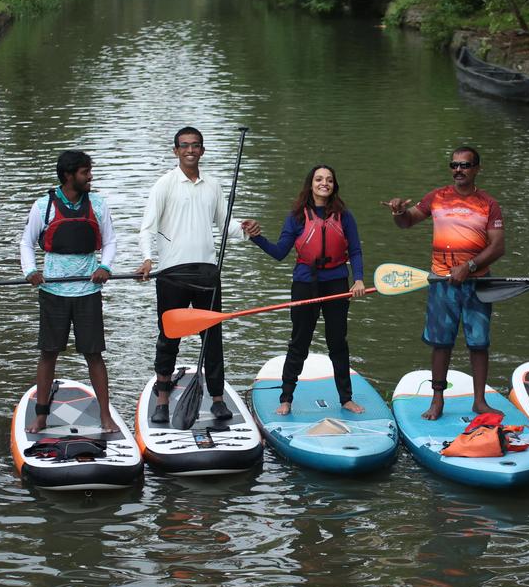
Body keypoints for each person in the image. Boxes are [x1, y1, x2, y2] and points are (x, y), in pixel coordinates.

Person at [384, 146, 504, 421]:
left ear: (476, 169)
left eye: (465, 165)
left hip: (478, 283)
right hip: (442, 283)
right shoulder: (436, 197)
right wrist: (399, 212)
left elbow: (498, 246)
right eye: (454, 165)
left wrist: (470, 266)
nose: (458, 170)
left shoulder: (489, 203)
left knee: (479, 343)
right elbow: (408, 222)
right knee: (441, 343)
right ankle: (437, 401)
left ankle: (480, 402)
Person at [241, 165, 368, 416]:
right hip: (304, 284)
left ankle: (346, 399)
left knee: (338, 343)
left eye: (329, 180)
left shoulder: (344, 216)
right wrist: (255, 237)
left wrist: (360, 279)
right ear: (311, 184)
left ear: (334, 185)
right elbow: (279, 253)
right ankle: (286, 398)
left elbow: (354, 250)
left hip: (336, 284)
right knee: (299, 342)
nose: (324, 183)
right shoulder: (297, 216)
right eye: (319, 179)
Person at [137, 127, 238, 424]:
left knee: (212, 339)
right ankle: (162, 401)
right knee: (169, 338)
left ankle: (217, 399)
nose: (190, 150)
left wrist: (246, 230)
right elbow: (147, 228)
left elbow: (226, 226)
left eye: (196, 145)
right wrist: (147, 259)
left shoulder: (213, 186)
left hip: (207, 273)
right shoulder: (165, 185)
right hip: (172, 275)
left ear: (203, 150)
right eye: (185, 146)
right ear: (176, 151)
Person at [19, 150, 118, 434]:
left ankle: (104, 416)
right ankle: (41, 416)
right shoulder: (43, 206)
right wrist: (31, 271)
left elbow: (110, 242)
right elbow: (26, 243)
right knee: (48, 353)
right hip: (53, 291)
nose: (91, 177)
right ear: (68, 176)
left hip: (88, 290)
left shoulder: (97, 204)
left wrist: (105, 267)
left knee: (94, 354)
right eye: (85, 172)